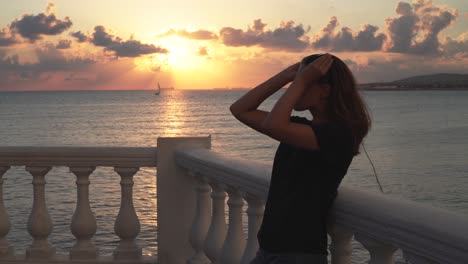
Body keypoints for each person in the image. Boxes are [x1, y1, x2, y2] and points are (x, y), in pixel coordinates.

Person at [229, 53, 371, 263]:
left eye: (303, 82)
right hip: (270, 250)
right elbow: (240, 109)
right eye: (296, 82)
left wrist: (301, 80)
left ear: (325, 90)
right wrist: (286, 75)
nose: (295, 87)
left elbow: (273, 125)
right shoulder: (302, 128)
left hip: (299, 254)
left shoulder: (338, 135)